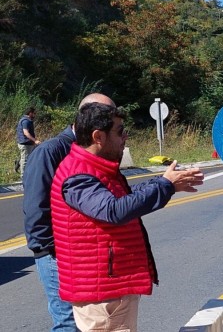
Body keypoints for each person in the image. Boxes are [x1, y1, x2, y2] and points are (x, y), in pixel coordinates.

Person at [50, 102, 205, 331]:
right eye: (120, 131)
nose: (125, 137)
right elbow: (114, 211)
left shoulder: (95, 168)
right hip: (103, 292)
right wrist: (164, 186)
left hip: (109, 288)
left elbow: (125, 199)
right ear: (98, 136)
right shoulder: (78, 176)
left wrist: (164, 183)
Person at [23, 93, 115, 331]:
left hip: (83, 254)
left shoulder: (94, 149)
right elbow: (36, 207)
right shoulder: (52, 151)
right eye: (108, 116)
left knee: (91, 320)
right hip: (57, 254)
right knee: (68, 322)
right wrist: (54, 249)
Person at [17, 107, 41, 175]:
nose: (35, 115)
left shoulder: (27, 120)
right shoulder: (26, 121)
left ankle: (18, 163)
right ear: (30, 113)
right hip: (25, 143)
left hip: (28, 143)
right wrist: (35, 140)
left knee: (30, 157)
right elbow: (26, 133)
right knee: (25, 160)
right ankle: (23, 176)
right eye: (34, 113)